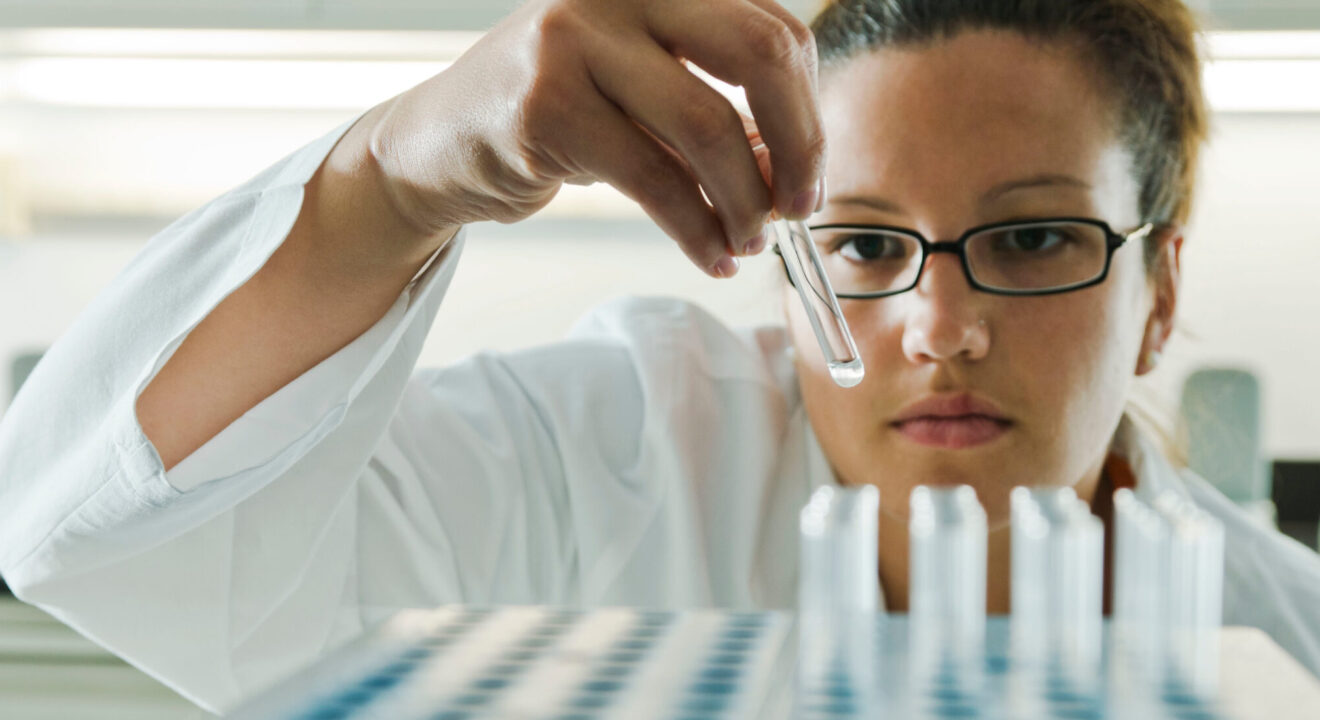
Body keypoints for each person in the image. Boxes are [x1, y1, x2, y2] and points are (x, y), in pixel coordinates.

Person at [1, 0, 1318, 712]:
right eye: (862, 247)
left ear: (1160, 292)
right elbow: (91, 532)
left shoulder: (1282, 651)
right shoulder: (619, 458)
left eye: (1033, 237)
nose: (937, 324)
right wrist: (391, 182)